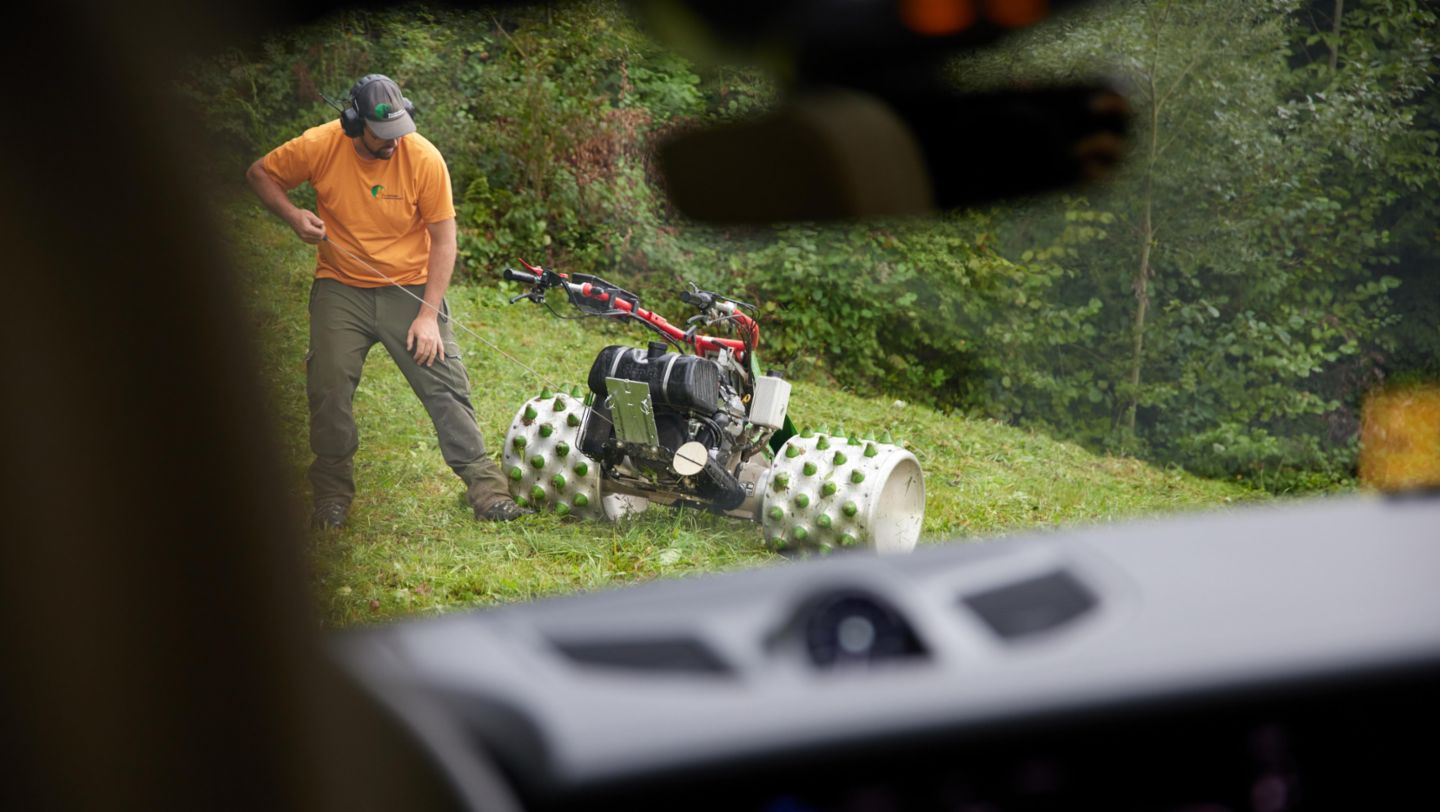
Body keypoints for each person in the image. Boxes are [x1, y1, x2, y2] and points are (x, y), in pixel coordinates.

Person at [246, 73, 528, 528]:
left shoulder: (423, 157)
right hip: (341, 286)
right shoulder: (320, 145)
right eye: (383, 134)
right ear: (354, 125)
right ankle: (332, 496)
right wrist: (293, 215)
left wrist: (428, 316)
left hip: (411, 288)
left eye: (400, 130)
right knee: (328, 387)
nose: (394, 142)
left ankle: (488, 492)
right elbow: (260, 174)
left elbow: (444, 240)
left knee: (445, 386)